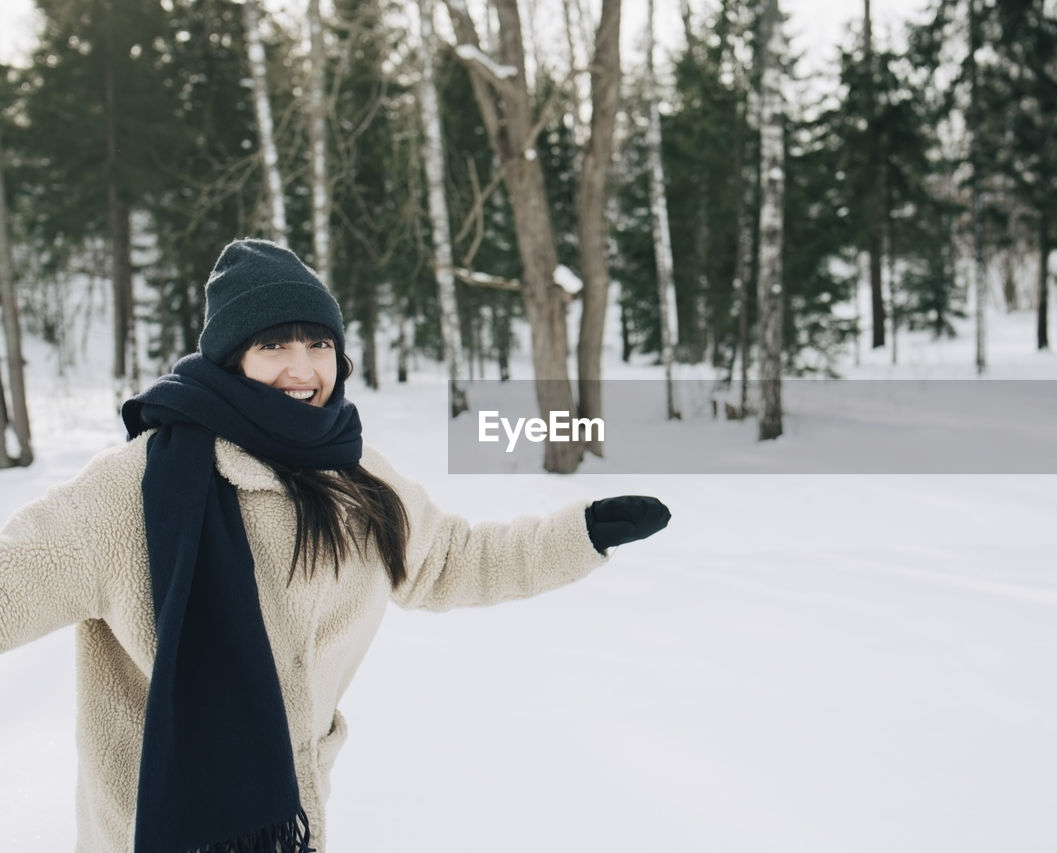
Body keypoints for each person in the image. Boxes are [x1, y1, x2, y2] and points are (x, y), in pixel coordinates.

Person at [0, 238, 670, 853]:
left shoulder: (358, 479)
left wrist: (577, 535)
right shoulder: (135, 489)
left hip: (291, 826)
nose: (302, 367)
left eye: (318, 343)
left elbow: (451, 559)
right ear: (230, 358)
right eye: (273, 345)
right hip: (153, 833)